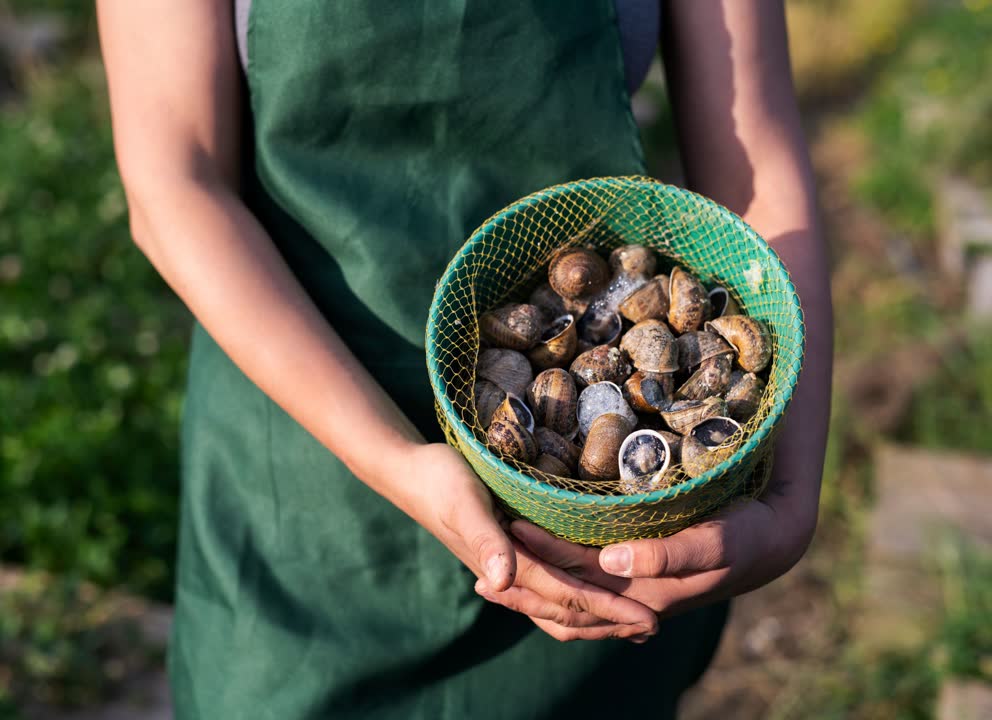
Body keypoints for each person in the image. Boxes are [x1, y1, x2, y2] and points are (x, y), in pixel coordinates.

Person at [97, 1, 832, 717]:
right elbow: (173, 179)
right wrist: (389, 456)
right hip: (302, 478)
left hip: (599, 522)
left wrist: (789, 498)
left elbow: (757, 171)